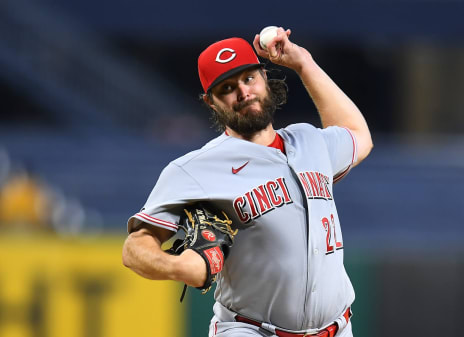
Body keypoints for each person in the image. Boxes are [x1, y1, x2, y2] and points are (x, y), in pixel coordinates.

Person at [122, 27, 373, 337]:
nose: (243, 92)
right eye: (227, 87)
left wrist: (304, 63)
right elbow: (134, 248)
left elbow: (359, 136)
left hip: (337, 327)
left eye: (248, 78)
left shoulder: (310, 141)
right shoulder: (195, 168)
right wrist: (181, 267)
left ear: (264, 79)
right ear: (211, 103)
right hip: (251, 330)